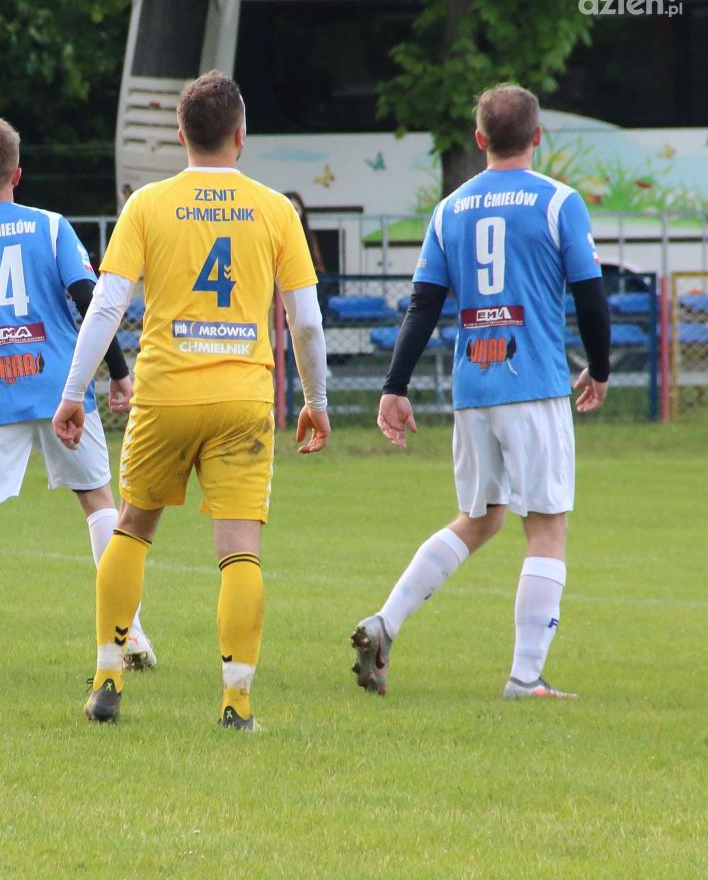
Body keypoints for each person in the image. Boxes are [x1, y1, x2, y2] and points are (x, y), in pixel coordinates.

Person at [53, 71, 331, 730]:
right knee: (239, 550)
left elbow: (106, 306)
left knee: (132, 528)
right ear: (241, 135)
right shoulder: (276, 209)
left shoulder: (148, 204)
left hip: (165, 395)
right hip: (242, 399)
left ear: (181, 136)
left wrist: (74, 391)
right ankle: (236, 701)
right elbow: (307, 321)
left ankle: (108, 674)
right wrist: (315, 399)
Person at [349, 83, 610, 701]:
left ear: (479, 138)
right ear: (538, 136)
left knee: (481, 517)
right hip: (533, 383)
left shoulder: (450, 210)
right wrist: (600, 368)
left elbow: (422, 305)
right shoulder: (558, 201)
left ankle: (386, 622)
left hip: (473, 389)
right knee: (545, 526)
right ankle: (525, 677)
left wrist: (394, 386)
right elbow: (590, 295)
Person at [0, 117, 153, 678]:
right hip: (63, 391)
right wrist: (118, 373)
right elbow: (91, 299)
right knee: (99, 503)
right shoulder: (50, 227)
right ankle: (130, 632)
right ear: (17, 173)